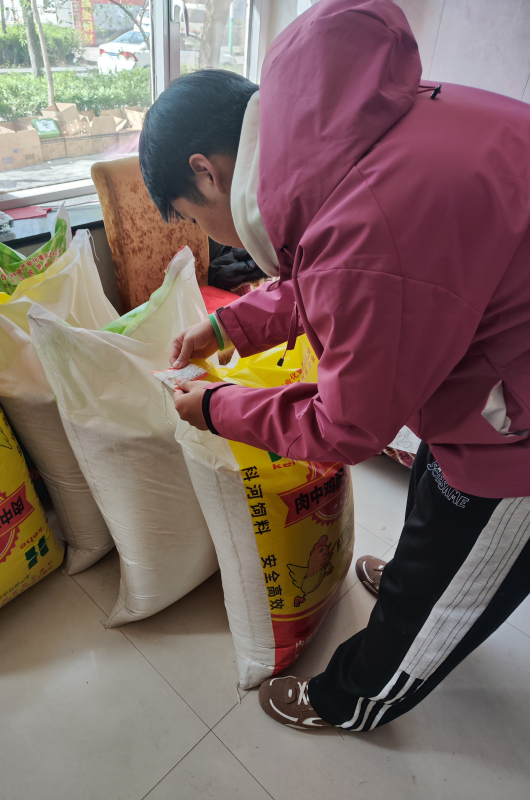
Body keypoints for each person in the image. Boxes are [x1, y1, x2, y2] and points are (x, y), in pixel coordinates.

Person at [138, 0, 530, 732]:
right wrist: (225, 325)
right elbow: (335, 272)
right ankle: (418, 574)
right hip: (494, 358)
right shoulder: (350, 137)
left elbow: (345, 425)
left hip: (519, 434)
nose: (207, 234)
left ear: (206, 172)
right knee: (439, 478)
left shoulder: (363, 221)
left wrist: (216, 407)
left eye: (192, 217)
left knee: (449, 585)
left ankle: (353, 698)